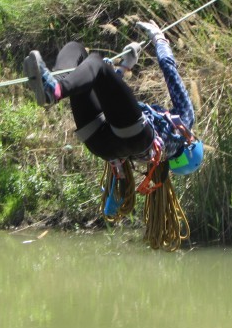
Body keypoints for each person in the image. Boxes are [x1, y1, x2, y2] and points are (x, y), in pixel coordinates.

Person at [24, 20, 204, 211]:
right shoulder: (154, 157)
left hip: (137, 134)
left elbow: (169, 69)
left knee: (94, 62)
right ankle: (53, 85)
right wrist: (124, 67)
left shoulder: (184, 125)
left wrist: (159, 39)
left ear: (190, 143)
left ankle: (56, 88)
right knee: (84, 59)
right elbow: (113, 109)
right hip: (103, 145)